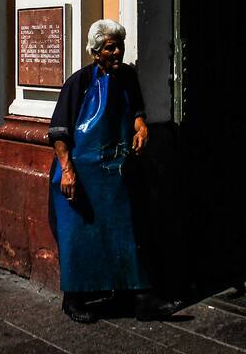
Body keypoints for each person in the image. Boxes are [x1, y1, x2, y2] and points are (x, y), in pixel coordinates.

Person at [48, 18, 182, 323]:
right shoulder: (78, 83)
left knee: (126, 233)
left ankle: (141, 299)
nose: (117, 52)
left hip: (115, 174)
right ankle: (74, 299)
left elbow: (135, 110)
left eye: (119, 46)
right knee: (80, 236)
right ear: (96, 52)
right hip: (81, 174)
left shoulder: (127, 79)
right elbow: (58, 133)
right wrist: (67, 172)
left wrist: (141, 126)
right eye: (110, 47)